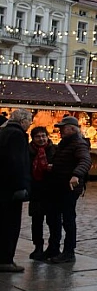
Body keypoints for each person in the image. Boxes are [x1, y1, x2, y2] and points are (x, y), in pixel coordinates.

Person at [45, 115, 92, 264]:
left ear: (72, 129)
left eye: (63, 128)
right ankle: (53, 247)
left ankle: (69, 252)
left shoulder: (79, 143)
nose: (60, 131)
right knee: (53, 218)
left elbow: (85, 160)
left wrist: (76, 175)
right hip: (57, 187)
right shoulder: (65, 143)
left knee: (68, 219)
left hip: (69, 188)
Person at [0, 109, 33, 272]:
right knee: (10, 224)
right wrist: (22, 186)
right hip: (11, 189)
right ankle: (6, 259)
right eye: (29, 121)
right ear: (23, 120)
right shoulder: (17, 135)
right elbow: (18, 162)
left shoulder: (4, 131)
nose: (30, 124)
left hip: (3, 187)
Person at [27, 126, 56, 261]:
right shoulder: (28, 150)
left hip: (51, 190)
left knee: (53, 220)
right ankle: (38, 246)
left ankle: (53, 247)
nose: (41, 139)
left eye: (43, 136)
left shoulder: (53, 149)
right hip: (36, 190)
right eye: (38, 136)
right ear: (33, 138)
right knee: (37, 220)